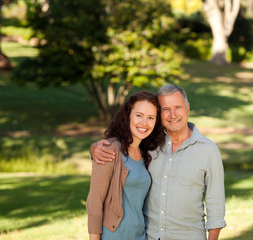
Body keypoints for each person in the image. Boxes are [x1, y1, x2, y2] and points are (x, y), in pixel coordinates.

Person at [90, 84, 226, 240]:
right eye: (166, 109)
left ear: (187, 109)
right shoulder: (149, 144)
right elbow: (121, 151)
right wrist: (94, 147)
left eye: (178, 107)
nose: (173, 115)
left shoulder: (208, 150)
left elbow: (216, 206)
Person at [86, 90, 165, 240]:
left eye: (151, 118)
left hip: (140, 236)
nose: (144, 123)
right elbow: (94, 203)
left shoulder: (146, 153)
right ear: (128, 115)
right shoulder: (110, 150)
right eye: (139, 115)